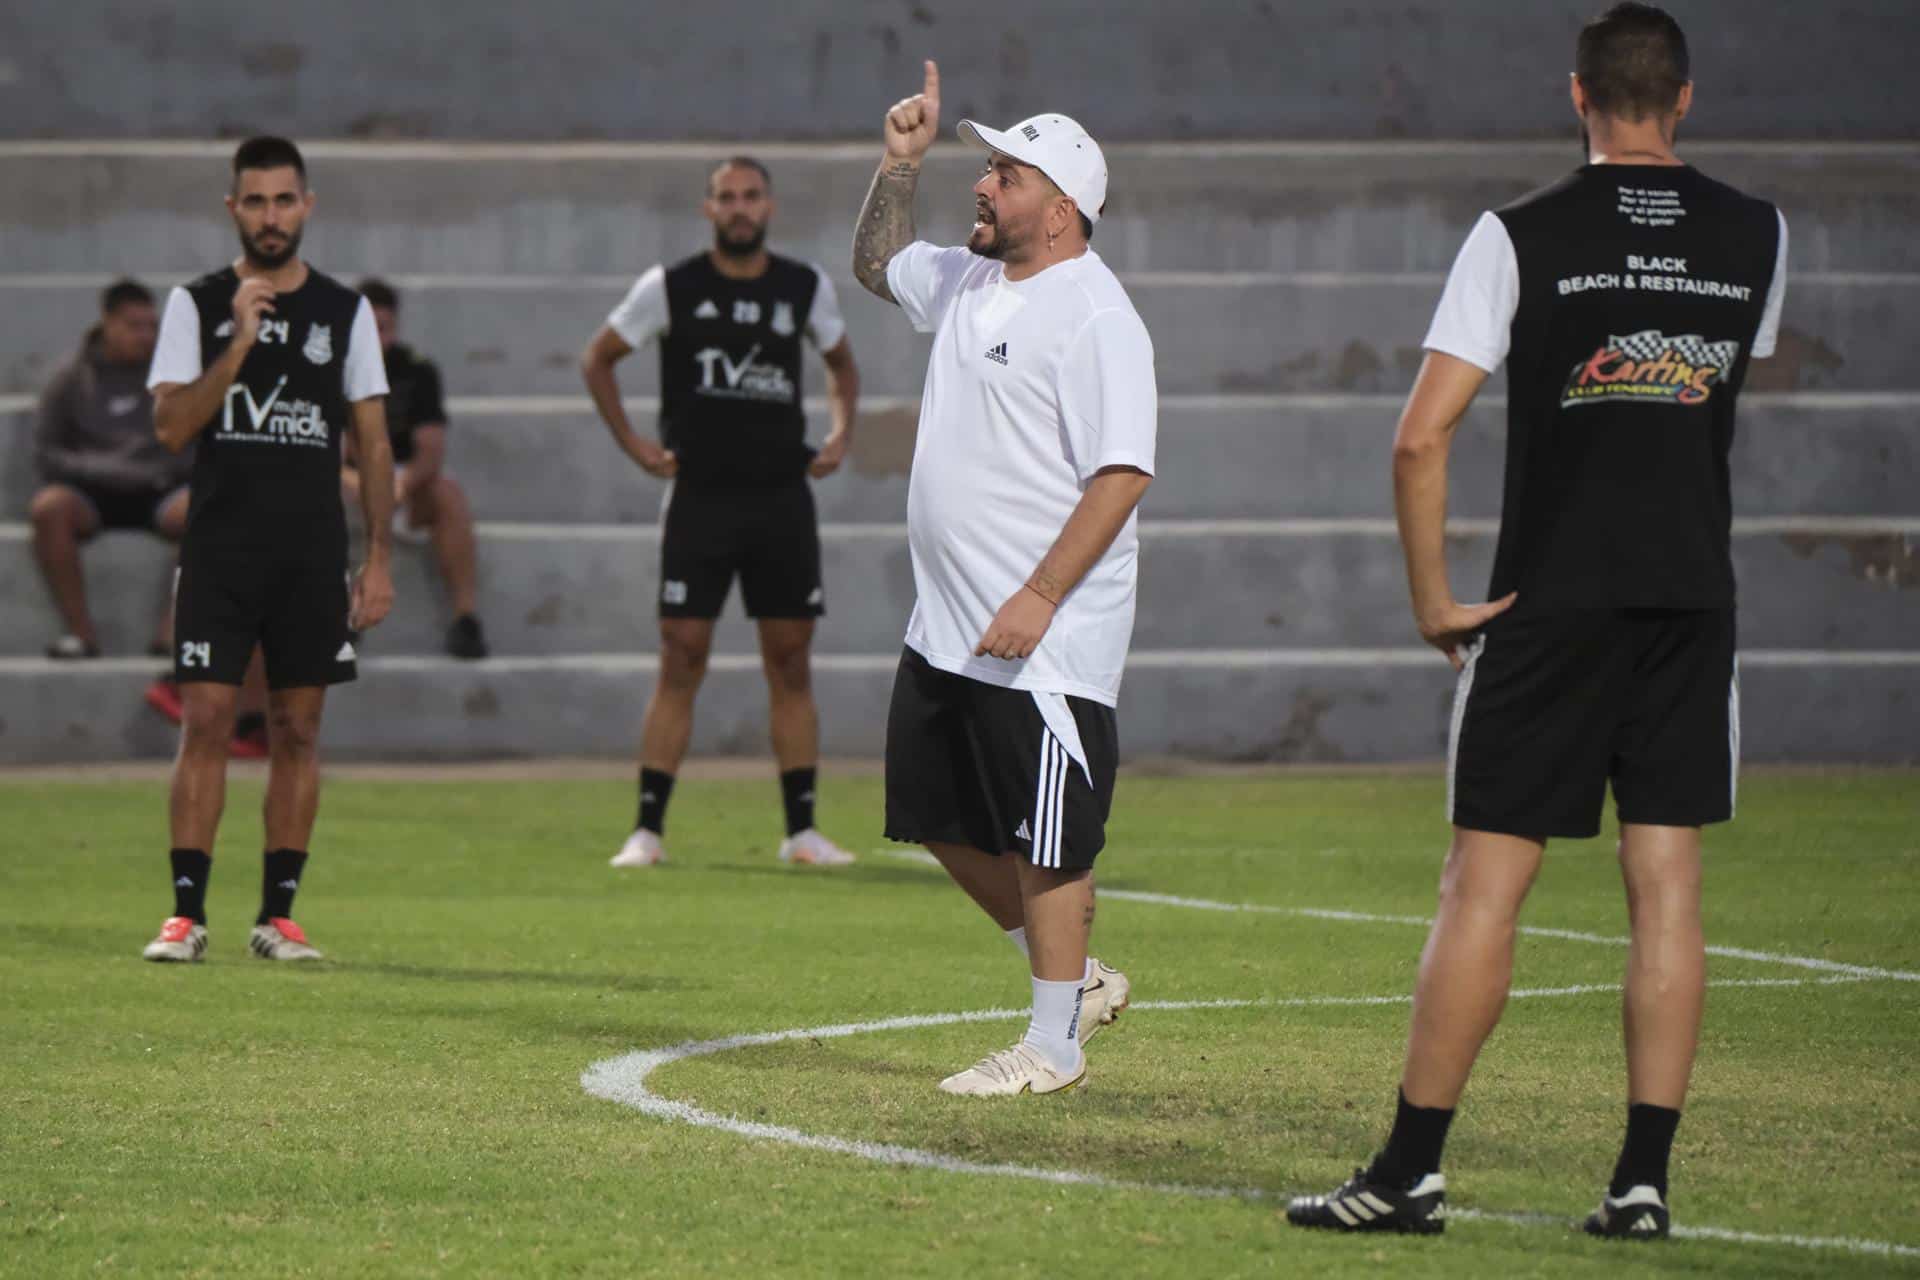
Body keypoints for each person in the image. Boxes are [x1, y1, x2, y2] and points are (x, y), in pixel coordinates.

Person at [1287, 3, 1787, 1238]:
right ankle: (1641, 1184)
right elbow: (1714, 400)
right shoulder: (1760, 234)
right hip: (1690, 599)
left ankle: (1409, 1172)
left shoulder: (1519, 235)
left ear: (1577, 97)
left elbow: (1420, 432)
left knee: (1483, 888)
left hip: (1547, 604)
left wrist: (1431, 602)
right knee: (1665, 885)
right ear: (1683, 98)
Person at [851, 62, 1156, 1096]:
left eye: (1007, 174)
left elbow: (1121, 475)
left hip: (1048, 638)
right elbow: (878, 263)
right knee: (931, 813)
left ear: (1062, 210)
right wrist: (900, 164)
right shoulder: (973, 279)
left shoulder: (1096, 314)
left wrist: (1039, 594)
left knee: (1048, 836)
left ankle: (1053, 1040)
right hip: (947, 625)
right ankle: (1075, 978)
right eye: (984, 167)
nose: (982, 185)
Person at [140, 135, 397, 964]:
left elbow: (373, 439)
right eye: (255, 201)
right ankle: (186, 915)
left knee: (298, 727)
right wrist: (241, 343)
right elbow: (174, 426)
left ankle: (277, 916)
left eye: (285, 200)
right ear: (233, 209)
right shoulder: (196, 303)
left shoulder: (344, 313)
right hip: (220, 548)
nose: (271, 216)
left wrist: (381, 556)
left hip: (309, 554)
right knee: (207, 720)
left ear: (307, 206)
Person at [580, 156, 861, 869]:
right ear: (708, 210)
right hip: (700, 498)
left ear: (769, 206)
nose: (740, 208)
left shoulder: (804, 286)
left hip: (780, 499)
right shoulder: (670, 286)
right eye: (726, 197)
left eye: (752, 196)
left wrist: (839, 433)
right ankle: (647, 829)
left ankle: (801, 830)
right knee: (681, 654)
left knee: (790, 660)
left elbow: (842, 364)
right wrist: (636, 445)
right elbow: (598, 359)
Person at [29, 280, 188, 659]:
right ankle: (80, 635)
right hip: (91, 493)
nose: (146, 335)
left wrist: (149, 471)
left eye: (152, 326)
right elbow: (47, 454)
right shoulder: (68, 378)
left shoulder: (174, 377)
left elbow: (194, 447)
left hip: (159, 489)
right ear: (108, 324)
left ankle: (172, 634)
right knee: (48, 508)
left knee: (208, 507)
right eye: (135, 326)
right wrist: (105, 469)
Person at [344, 278, 489, 659]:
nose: (376, 339)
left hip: (402, 483)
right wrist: (361, 481)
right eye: (367, 330)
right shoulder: (332, 369)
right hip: (348, 486)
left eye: (383, 329)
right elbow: (326, 449)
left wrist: (400, 484)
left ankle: (465, 619)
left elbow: (431, 448)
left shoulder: (417, 371)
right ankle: (337, 613)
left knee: (448, 496)